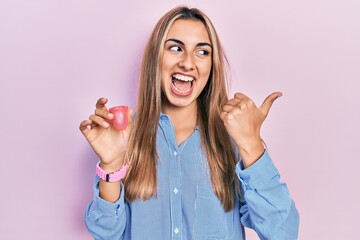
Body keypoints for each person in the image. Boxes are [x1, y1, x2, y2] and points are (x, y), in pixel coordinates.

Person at [79, 6, 299, 240]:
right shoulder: (125, 135)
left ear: (211, 66)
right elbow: (106, 233)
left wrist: (251, 143)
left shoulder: (233, 138)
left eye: (202, 52)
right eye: (175, 48)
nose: (187, 63)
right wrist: (111, 166)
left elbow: (283, 233)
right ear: (157, 58)